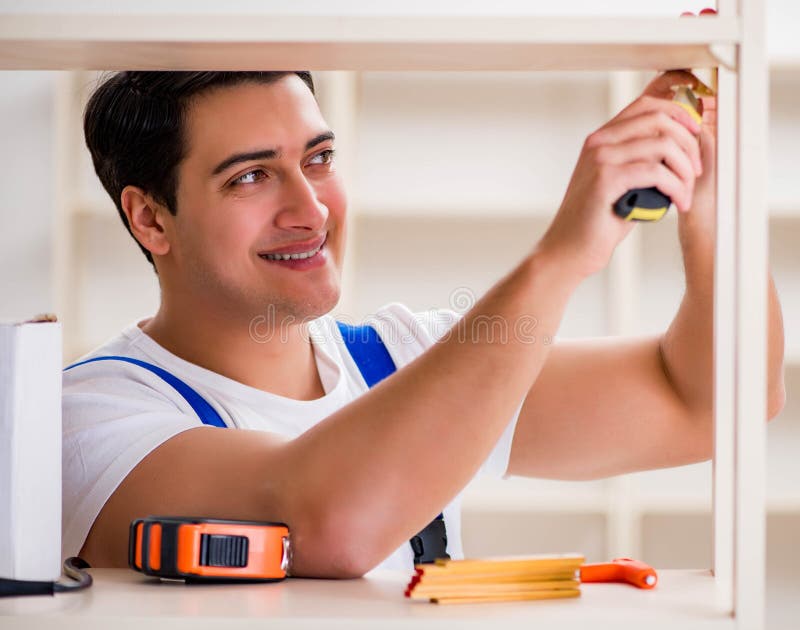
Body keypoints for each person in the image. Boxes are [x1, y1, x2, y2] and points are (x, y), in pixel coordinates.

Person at [63, 70, 786, 578]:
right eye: (251, 176)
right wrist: (560, 259)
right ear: (151, 218)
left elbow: (714, 400)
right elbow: (323, 523)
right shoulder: (87, 418)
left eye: (318, 160)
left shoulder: (412, 359)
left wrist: (711, 201)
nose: (310, 210)